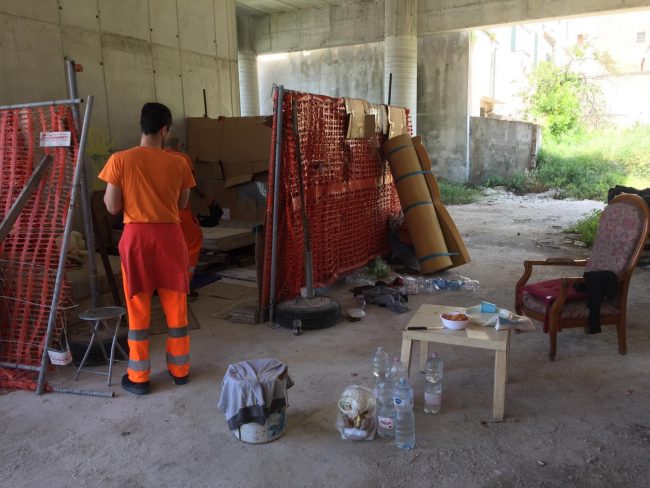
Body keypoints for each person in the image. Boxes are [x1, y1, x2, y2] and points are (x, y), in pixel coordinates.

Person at [99, 102, 195, 395]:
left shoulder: (119, 160)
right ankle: (180, 370)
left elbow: (112, 206)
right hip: (170, 239)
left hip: (137, 239)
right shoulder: (180, 163)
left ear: (142, 126)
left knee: (138, 307)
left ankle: (139, 377)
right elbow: (182, 204)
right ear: (164, 130)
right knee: (176, 306)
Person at [163, 137, 203, 297]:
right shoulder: (182, 158)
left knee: (167, 250)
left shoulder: (154, 158)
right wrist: (205, 197)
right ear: (178, 145)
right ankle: (184, 284)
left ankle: (164, 284)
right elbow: (191, 183)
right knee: (192, 245)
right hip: (180, 213)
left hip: (159, 215)